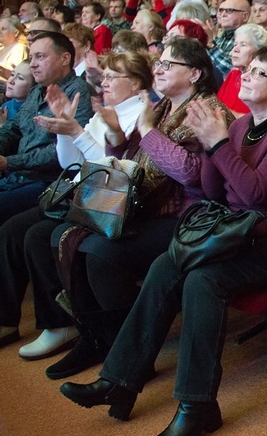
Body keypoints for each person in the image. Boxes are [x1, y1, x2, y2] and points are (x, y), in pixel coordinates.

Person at [60, 48, 267, 436]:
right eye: (247, 69)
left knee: (203, 280)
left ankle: (196, 405)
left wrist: (217, 144)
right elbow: (212, 192)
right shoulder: (237, 127)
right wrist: (212, 143)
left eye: (259, 72)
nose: (246, 75)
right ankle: (119, 380)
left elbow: (255, 195)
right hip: (233, 234)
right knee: (167, 264)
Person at [38, 43, 231, 374]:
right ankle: (99, 338)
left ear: (195, 73)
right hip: (145, 207)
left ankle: (124, 351)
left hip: (188, 216)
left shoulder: (210, 110)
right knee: (63, 235)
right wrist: (115, 134)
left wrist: (146, 131)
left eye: (169, 64)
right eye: (158, 63)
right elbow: (129, 165)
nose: (158, 69)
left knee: (99, 251)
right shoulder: (161, 108)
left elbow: (192, 174)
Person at [0, 32, 93, 224]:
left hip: (50, 182)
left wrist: (9, 162)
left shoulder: (78, 92)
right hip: (18, 176)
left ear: (65, 58)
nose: (33, 63)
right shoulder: (35, 91)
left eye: (40, 57)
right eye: (32, 57)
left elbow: (62, 151)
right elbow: (13, 129)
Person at [217, 24, 267, 117]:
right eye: (235, 44)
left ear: (259, 51)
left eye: (243, 45)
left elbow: (260, 120)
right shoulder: (233, 74)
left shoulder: (262, 81)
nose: (235, 49)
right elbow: (217, 106)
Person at [0, 16, 29, 81]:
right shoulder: (1, 48)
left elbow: (17, 76)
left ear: (16, 33)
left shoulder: (19, 48)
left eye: (3, 29)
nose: (0, 31)